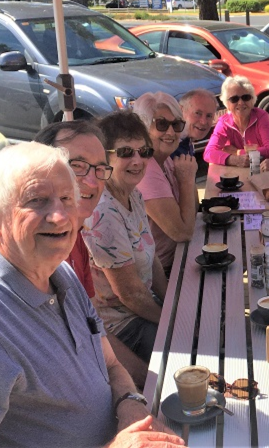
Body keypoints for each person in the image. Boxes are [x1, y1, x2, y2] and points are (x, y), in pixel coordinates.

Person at [0, 142, 182, 447]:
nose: (59, 216)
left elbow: (110, 365)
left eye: (67, 198)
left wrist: (131, 406)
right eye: (36, 200)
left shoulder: (60, 273)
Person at [34, 121, 148, 389]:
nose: (92, 181)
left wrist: (141, 383)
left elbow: (93, 328)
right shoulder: (31, 256)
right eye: (77, 166)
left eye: (99, 168)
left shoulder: (76, 237)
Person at [82, 111, 168, 363]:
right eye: (126, 152)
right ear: (104, 158)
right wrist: (173, 320)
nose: (137, 160)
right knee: (192, 347)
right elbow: (129, 294)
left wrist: (173, 303)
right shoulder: (104, 213)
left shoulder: (133, 194)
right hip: (122, 326)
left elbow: (151, 258)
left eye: (144, 151)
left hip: (144, 305)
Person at [133, 92, 199, 274]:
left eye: (176, 125)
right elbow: (182, 233)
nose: (170, 132)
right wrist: (186, 181)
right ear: (144, 128)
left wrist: (188, 179)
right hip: (162, 271)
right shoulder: (145, 169)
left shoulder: (165, 159)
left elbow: (194, 211)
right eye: (161, 124)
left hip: (180, 256)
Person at [204, 75, 269, 167]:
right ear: (227, 103)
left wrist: (238, 152)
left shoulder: (261, 116)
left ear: (252, 100)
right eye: (234, 99)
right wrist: (233, 160)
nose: (241, 103)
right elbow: (208, 153)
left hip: (260, 169)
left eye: (246, 97)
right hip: (234, 171)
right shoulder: (224, 123)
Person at [173, 87, 219, 177]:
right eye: (197, 113)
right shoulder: (170, 147)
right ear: (181, 111)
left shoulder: (186, 140)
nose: (203, 122)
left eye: (209, 116)